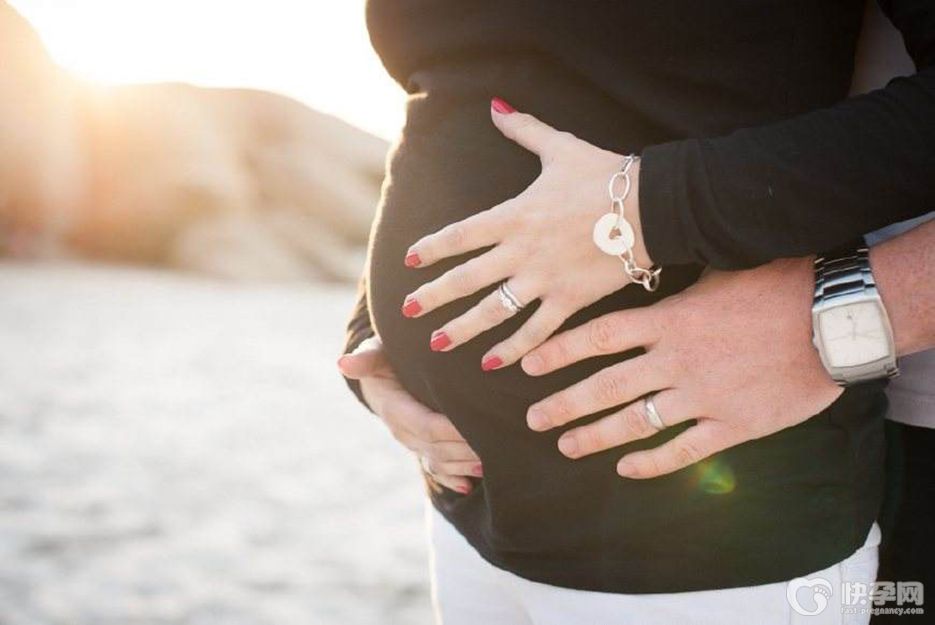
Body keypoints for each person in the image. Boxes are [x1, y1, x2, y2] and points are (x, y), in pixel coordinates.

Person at [340, 1, 934, 622]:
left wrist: (650, 208)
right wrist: (377, 325)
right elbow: (455, 95)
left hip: (707, 540)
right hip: (467, 514)